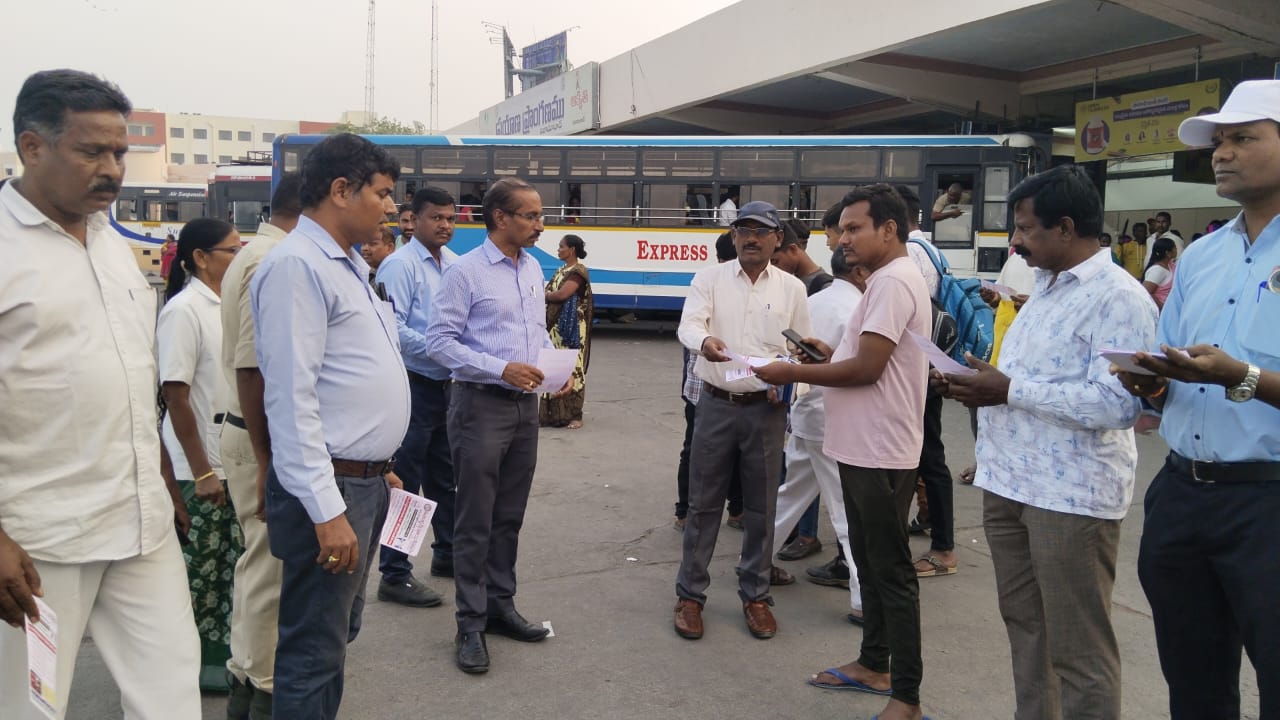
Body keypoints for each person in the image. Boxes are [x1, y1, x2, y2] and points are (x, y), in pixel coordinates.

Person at [0, 68, 202, 719]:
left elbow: (128, 377)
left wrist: (163, 476)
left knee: (171, 696)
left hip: (140, 523)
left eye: (120, 152)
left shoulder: (111, 242)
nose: (113, 169)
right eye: (93, 151)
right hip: (40, 540)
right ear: (32, 147)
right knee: (30, 705)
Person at [935, 164, 1158, 720]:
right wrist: (975, 383)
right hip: (1009, 484)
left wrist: (1008, 389)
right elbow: (1029, 383)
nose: (1016, 241)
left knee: (1078, 648)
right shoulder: (1045, 289)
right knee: (1027, 629)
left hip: (1070, 500)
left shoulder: (1120, 298)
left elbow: (1118, 405)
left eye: (1026, 228)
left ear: (1066, 228)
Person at [1116, 78, 1280, 720]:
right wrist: (1153, 380)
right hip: (1183, 496)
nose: (1223, 153)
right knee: (1195, 687)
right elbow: (1178, 364)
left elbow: (1230, 375)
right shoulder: (1203, 255)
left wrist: (1241, 375)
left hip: (1269, 504)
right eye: (1218, 142)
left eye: (1243, 138)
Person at [754, 184, 930, 720]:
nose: (843, 238)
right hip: (864, 443)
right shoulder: (882, 281)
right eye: (843, 229)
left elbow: (868, 370)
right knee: (873, 564)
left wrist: (794, 372)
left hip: (879, 447)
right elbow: (865, 357)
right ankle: (873, 663)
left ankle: (906, 696)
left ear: (889, 230)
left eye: (854, 228)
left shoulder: (893, 281)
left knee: (890, 570)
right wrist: (828, 355)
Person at [250, 133, 409, 719]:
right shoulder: (297, 266)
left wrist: (378, 466)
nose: (391, 208)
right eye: (382, 194)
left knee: (334, 637)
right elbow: (291, 401)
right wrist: (326, 510)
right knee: (313, 651)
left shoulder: (346, 266)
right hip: (331, 490)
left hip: (358, 482)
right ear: (341, 190)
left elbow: (345, 383)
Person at [425, 177, 557, 674]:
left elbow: (534, 332)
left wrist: (553, 368)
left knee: (509, 516)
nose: (540, 225)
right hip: (479, 405)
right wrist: (500, 369)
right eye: (531, 216)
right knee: (475, 520)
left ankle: (501, 606)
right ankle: (470, 624)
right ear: (501, 217)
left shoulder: (533, 268)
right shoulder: (466, 272)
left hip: (525, 409)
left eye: (541, 216)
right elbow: (439, 342)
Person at [673, 200, 811, 642]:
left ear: (777, 239)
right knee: (703, 504)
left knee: (761, 506)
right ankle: (690, 595)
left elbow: (802, 351)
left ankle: (755, 595)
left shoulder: (793, 289)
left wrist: (790, 387)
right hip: (716, 404)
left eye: (761, 231)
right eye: (743, 231)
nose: (751, 238)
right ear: (733, 237)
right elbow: (689, 325)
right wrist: (704, 341)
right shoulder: (709, 279)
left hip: (766, 411)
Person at [219, 172, 303, 720]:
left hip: (253, 430)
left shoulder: (256, 254)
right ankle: (262, 686)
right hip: (259, 433)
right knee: (270, 569)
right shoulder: (269, 260)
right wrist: (269, 458)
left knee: (259, 565)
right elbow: (253, 369)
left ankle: (247, 679)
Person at [157, 217, 244, 692]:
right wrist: (201, 471)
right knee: (199, 576)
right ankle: (186, 669)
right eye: (232, 250)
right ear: (200, 258)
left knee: (229, 569)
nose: (239, 257)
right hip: (201, 468)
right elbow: (176, 395)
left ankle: (221, 663)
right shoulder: (184, 310)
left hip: (230, 462)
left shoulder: (226, 304)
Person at [770, 248, 869, 623]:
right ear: (859, 273)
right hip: (834, 419)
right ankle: (863, 598)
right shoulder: (858, 310)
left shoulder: (815, 301)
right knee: (846, 509)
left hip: (807, 413)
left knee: (791, 495)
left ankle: (755, 561)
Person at [373, 185, 459, 604]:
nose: (444, 225)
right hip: (411, 385)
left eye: (450, 218)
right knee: (406, 482)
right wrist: (443, 349)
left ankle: (448, 553)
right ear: (415, 219)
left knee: (446, 477)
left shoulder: (455, 264)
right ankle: (394, 573)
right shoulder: (400, 266)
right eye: (436, 217)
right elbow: (394, 328)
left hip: (447, 386)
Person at [674, 232, 746, 531]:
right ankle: (730, 510)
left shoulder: (706, 282)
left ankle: (688, 512)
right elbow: (691, 332)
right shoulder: (710, 282)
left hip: (705, 388)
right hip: (713, 387)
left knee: (698, 451)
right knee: (724, 452)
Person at [542, 234, 594, 429]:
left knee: (573, 368)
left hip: (572, 329)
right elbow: (549, 291)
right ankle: (554, 415)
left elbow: (563, 294)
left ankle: (575, 415)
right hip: (556, 328)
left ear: (571, 250)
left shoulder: (578, 272)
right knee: (554, 367)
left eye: (561, 246)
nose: (558, 250)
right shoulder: (561, 271)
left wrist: (546, 295)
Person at [1141, 236, 1177, 310]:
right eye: (1174, 248)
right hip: (1160, 311)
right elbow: (1146, 292)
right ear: (1167, 253)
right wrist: (1161, 307)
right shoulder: (1157, 270)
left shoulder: (1170, 266)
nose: (1176, 249)